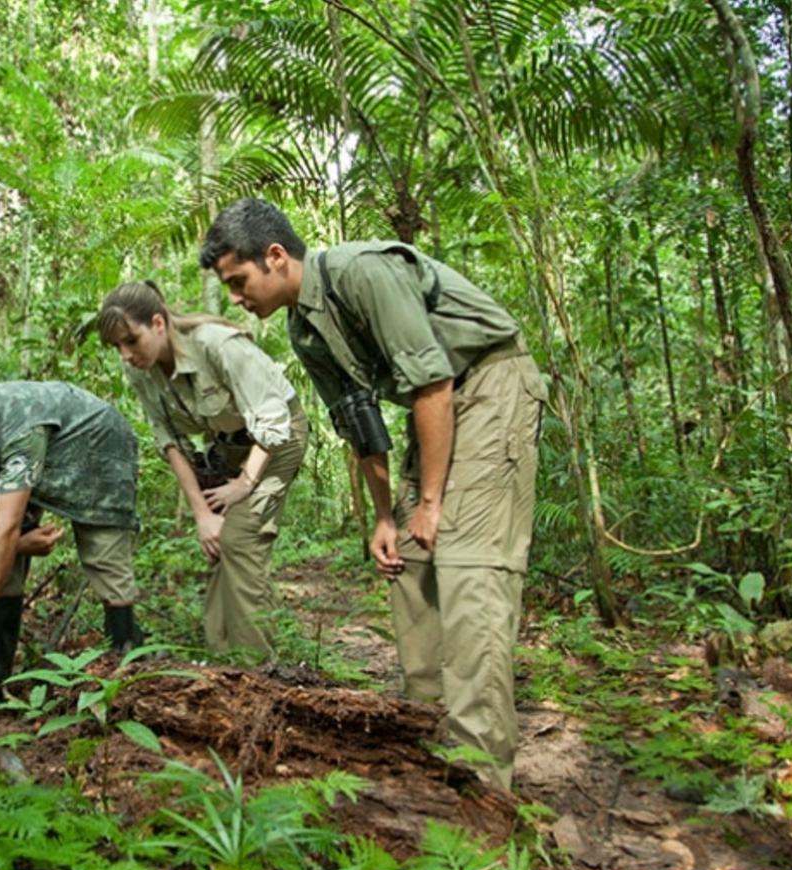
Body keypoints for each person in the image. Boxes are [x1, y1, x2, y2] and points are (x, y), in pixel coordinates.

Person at [198, 198, 547, 790]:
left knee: (468, 570)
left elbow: (432, 382)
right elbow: (358, 422)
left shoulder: (361, 272)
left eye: (239, 280)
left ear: (276, 257)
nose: (235, 298)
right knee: (408, 562)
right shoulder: (304, 329)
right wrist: (388, 516)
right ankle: (429, 739)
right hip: (433, 409)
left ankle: (484, 788)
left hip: (489, 386)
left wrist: (432, 502)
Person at [0, 350, 145, 694]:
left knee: (101, 550)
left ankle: (124, 652)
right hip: (19, 459)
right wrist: (19, 542)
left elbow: (6, 524)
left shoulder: (20, 421)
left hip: (94, 442)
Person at [97, 280, 308, 659]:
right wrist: (202, 514)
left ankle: (258, 669)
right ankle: (222, 660)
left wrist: (245, 484)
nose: (126, 354)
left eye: (131, 340)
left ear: (158, 324)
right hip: (225, 447)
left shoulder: (216, 344)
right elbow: (171, 443)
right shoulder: (139, 370)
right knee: (216, 544)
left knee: (240, 537)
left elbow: (272, 420)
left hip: (277, 438)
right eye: (117, 346)